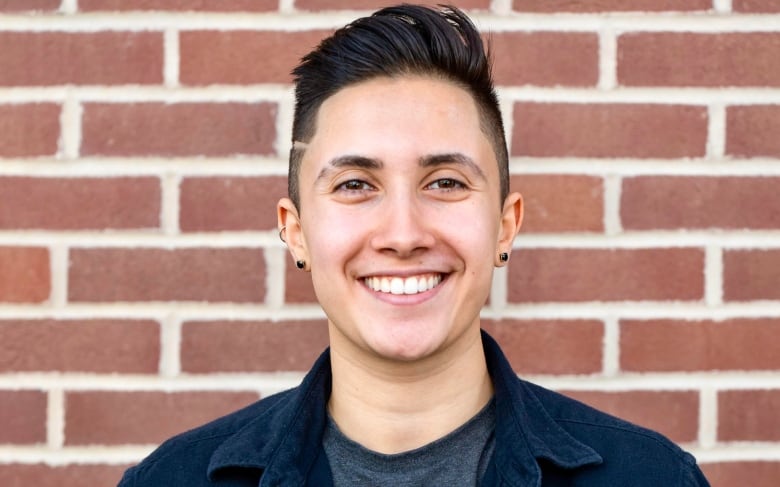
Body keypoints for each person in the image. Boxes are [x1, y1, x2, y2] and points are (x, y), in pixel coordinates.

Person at [118, 5, 710, 486]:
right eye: (355, 185)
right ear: (295, 230)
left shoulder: (652, 477)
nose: (403, 235)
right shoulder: (175, 479)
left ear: (505, 226)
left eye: (445, 183)